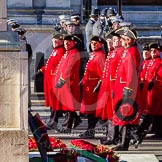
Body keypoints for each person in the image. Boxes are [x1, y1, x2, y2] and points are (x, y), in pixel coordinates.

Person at [112, 27, 141, 151]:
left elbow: (131, 72)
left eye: (123, 39)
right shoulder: (127, 51)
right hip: (121, 86)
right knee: (123, 115)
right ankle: (124, 140)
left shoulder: (132, 52)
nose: (121, 41)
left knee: (126, 116)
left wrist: (128, 87)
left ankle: (125, 143)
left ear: (128, 40)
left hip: (126, 87)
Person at [96, 30, 124, 145]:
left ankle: (113, 137)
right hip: (108, 86)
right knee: (108, 112)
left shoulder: (119, 52)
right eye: (108, 41)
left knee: (113, 112)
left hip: (113, 86)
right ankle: (109, 135)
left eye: (112, 41)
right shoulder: (112, 52)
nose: (110, 43)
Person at [132, 43, 162, 148]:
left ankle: (140, 130)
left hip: (155, 90)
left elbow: (158, 76)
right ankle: (156, 130)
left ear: (159, 52)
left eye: (155, 51)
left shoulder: (159, 62)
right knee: (153, 112)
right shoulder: (151, 62)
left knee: (152, 112)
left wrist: (154, 82)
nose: (153, 53)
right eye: (152, 51)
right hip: (148, 90)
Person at [33, 33, 65, 130]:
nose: (54, 43)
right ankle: (52, 118)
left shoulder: (61, 51)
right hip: (49, 80)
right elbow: (49, 64)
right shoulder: (55, 51)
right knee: (52, 101)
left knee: (55, 102)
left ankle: (53, 121)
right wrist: (40, 71)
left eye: (57, 41)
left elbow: (63, 68)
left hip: (55, 80)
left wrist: (61, 82)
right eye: (53, 41)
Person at [53, 35, 82, 133]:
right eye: (65, 43)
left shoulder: (73, 53)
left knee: (69, 105)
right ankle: (76, 119)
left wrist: (61, 80)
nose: (66, 44)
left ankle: (68, 126)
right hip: (65, 82)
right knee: (66, 105)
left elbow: (69, 69)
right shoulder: (68, 52)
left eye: (68, 42)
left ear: (74, 43)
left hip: (69, 82)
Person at [79, 36, 106, 138]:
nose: (93, 45)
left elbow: (102, 73)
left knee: (94, 111)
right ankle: (91, 131)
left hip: (94, 87)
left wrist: (99, 85)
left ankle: (92, 131)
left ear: (101, 45)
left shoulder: (100, 56)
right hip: (89, 87)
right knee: (91, 111)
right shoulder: (94, 54)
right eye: (92, 43)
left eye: (96, 43)